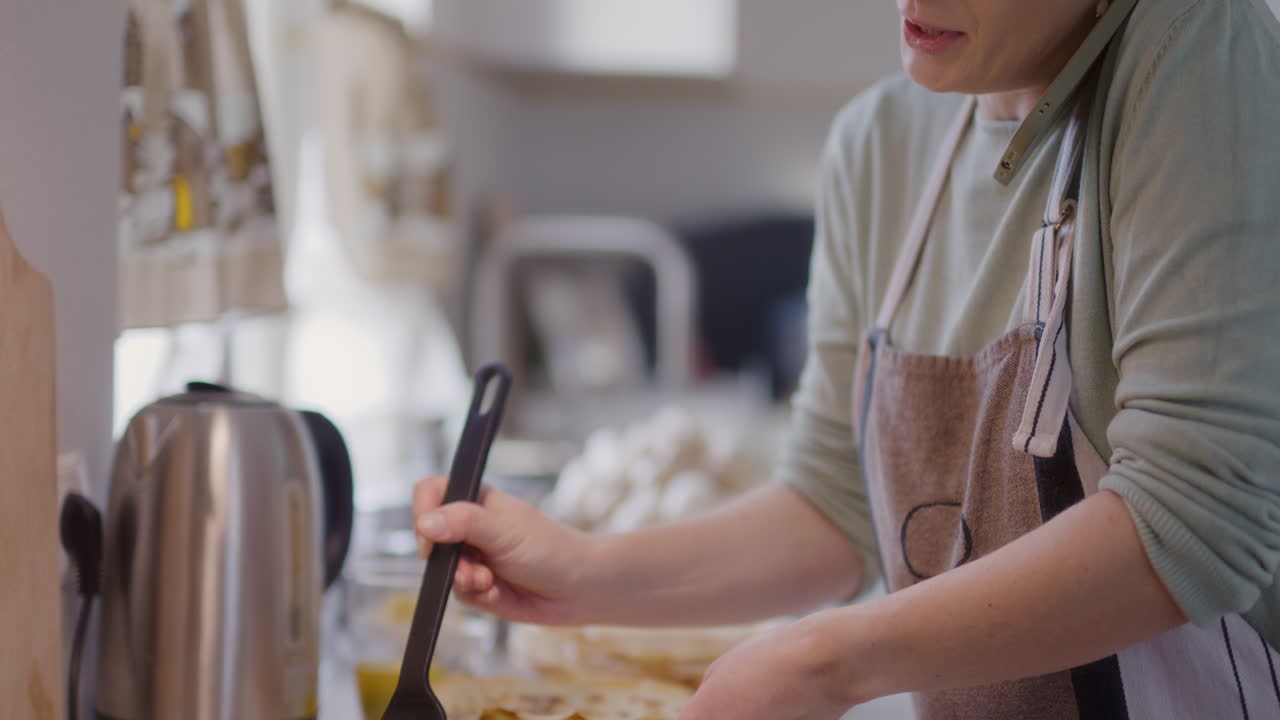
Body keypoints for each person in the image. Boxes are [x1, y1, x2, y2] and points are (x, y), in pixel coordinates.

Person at [413, 1, 1280, 717]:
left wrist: (828, 659)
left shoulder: (1199, 47)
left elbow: (1195, 523)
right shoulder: (880, 144)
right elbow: (835, 503)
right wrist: (582, 573)